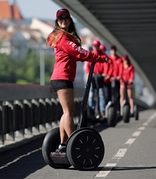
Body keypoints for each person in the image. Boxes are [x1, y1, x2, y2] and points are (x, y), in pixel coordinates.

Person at [46, 8, 107, 153]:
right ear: (57, 21)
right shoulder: (62, 37)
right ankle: (73, 143)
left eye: (66, 18)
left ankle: (63, 144)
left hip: (59, 77)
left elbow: (77, 55)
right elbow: (79, 52)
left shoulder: (62, 37)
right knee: (69, 112)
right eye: (60, 18)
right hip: (63, 77)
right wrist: (98, 58)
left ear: (70, 20)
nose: (63, 20)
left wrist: (91, 58)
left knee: (65, 112)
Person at [109, 45, 122, 112]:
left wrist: (119, 76)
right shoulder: (108, 59)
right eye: (112, 50)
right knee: (109, 95)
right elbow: (106, 68)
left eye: (114, 50)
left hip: (116, 80)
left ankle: (118, 109)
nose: (113, 51)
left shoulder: (119, 59)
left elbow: (121, 69)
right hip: (109, 81)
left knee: (117, 95)